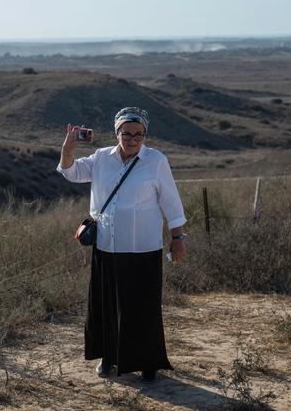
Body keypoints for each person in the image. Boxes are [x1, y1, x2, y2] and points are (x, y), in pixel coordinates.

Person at [56, 107, 187, 381]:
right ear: (117, 133)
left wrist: (177, 238)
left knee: (143, 308)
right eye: (127, 133)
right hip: (107, 247)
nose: (133, 139)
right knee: (107, 306)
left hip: (144, 249)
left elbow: (171, 202)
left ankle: (148, 363)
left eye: (139, 134)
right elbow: (70, 171)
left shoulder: (156, 160)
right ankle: (108, 358)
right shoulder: (101, 158)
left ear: (145, 135)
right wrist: (68, 148)